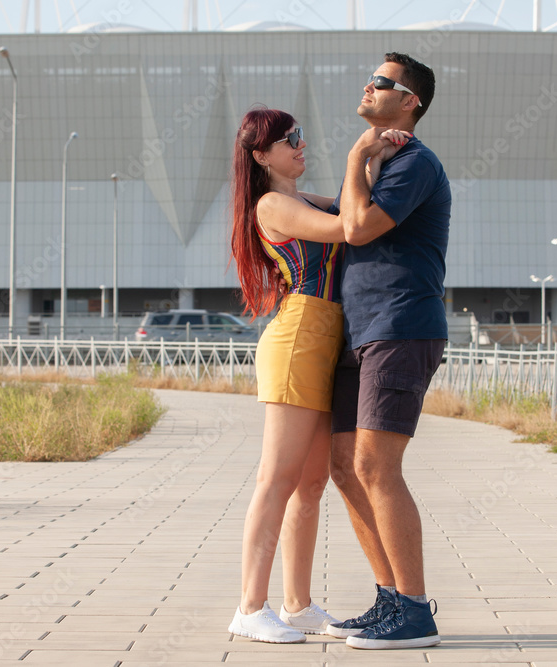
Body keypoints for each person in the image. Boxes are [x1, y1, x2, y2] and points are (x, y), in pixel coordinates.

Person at [227, 108, 407, 643]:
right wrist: (359, 154)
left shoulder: (302, 197)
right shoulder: (274, 203)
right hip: (300, 338)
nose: (301, 146)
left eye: (302, 136)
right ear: (261, 155)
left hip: (328, 339)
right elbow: (348, 228)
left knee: (310, 484)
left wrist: (379, 155)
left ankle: (298, 606)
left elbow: (360, 203)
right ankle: (249, 608)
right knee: (276, 479)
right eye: (290, 140)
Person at [323, 53, 452, 650]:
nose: (368, 84)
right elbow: (346, 217)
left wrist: (356, 157)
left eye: (382, 82)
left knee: (377, 467)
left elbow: (357, 228)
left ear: (411, 102)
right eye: (369, 76)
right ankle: (388, 597)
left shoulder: (414, 163)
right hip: (362, 332)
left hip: (400, 327)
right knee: (346, 469)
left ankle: (415, 609)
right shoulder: (386, 164)